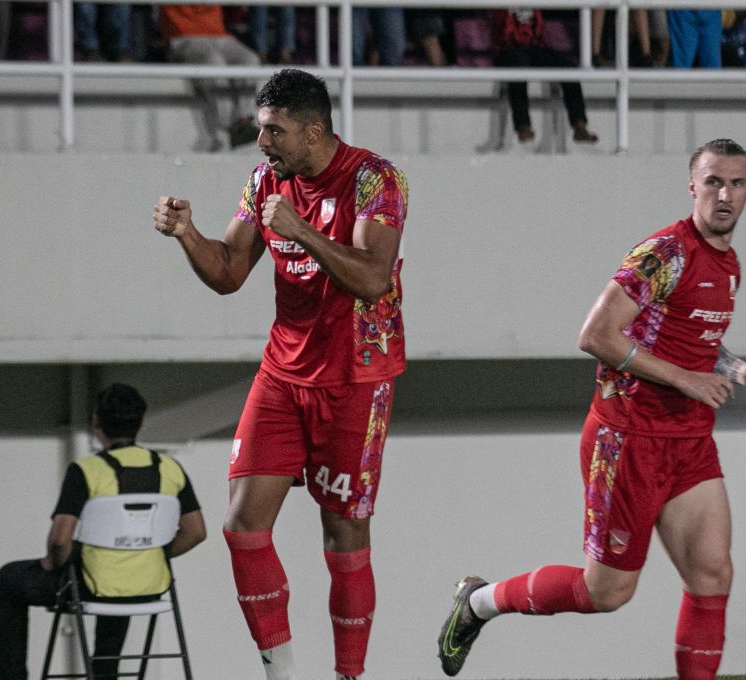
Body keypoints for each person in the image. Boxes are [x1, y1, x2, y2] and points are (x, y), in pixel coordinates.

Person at [437, 138, 746, 679]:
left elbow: (685, 337)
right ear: (692, 186)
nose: (725, 194)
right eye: (714, 182)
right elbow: (595, 334)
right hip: (629, 437)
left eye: (737, 184)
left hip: (688, 440)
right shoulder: (665, 253)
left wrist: (731, 368)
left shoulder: (728, 263)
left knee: (713, 575)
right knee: (606, 592)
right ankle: (479, 602)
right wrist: (688, 380)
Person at [153, 67, 409, 680]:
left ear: (314, 129)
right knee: (243, 525)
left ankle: (350, 675)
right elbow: (229, 272)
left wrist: (302, 231)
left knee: (343, 534)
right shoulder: (266, 179)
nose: (262, 142)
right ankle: (282, 673)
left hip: (355, 376)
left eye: (274, 130)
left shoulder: (375, 178)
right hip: (283, 373)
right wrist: (189, 234)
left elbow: (373, 278)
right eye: (262, 129)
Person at [0, 383, 207, 680]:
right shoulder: (171, 468)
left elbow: (59, 540)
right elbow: (196, 532)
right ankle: (106, 674)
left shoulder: (86, 470)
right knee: (116, 574)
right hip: (148, 585)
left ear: (96, 423)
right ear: (140, 423)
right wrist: (149, 553)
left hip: (95, 584)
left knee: (7, 580)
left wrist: (53, 564)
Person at [159, 4, 262, 152]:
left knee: (249, 59)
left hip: (218, 35)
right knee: (214, 61)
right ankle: (226, 126)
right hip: (183, 36)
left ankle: (243, 120)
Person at [491, 8, 599, 145]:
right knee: (518, 68)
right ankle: (522, 125)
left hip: (533, 47)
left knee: (568, 68)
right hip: (507, 49)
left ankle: (579, 125)